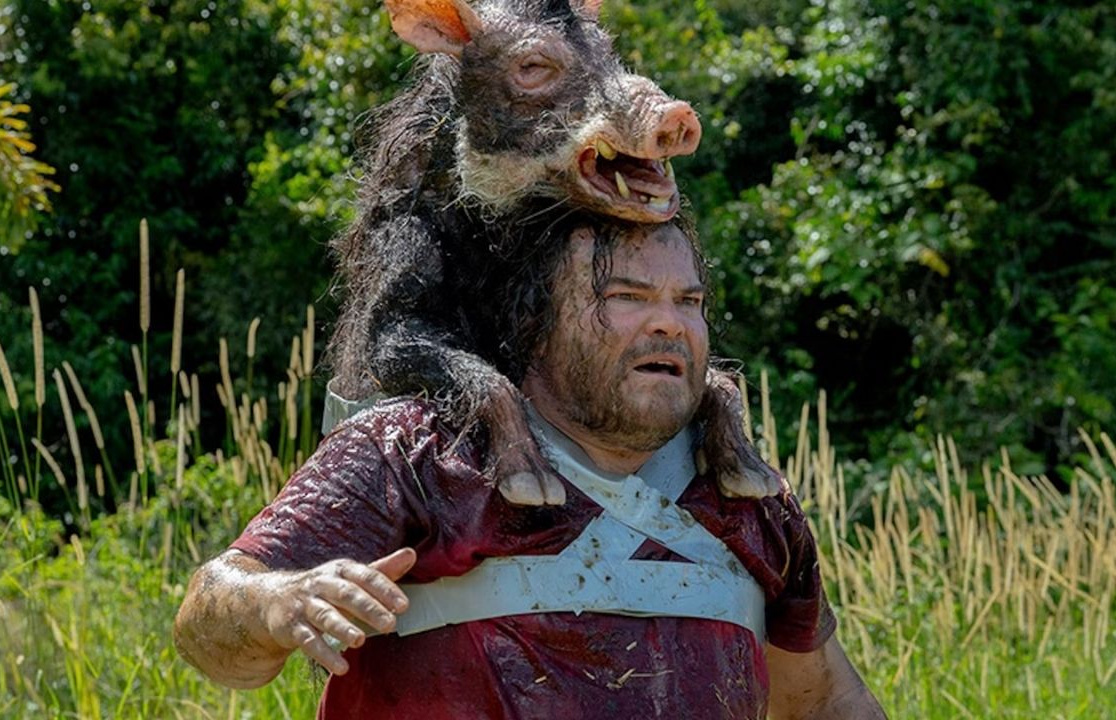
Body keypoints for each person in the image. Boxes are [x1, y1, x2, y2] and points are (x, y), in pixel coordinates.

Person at [174, 212, 886, 719]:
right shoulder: (416, 453)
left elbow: (821, 700)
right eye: (626, 297)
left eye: (689, 301)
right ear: (533, 324)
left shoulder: (745, 495)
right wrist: (282, 600)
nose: (670, 322)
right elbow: (208, 624)